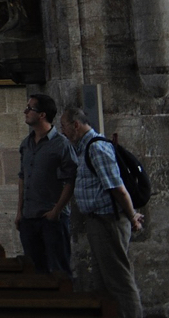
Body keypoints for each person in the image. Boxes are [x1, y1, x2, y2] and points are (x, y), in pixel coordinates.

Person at [60, 106, 143, 318]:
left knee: (119, 279)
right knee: (102, 280)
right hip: (98, 221)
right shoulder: (84, 147)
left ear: (75, 125)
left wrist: (132, 215)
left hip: (109, 221)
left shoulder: (96, 148)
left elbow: (117, 188)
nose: (63, 131)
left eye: (64, 126)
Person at [16, 93, 77, 277]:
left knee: (59, 270)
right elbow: (22, 177)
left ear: (42, 115)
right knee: (35, 272)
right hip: (29, 217)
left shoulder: (61, 145)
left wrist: (57, 210)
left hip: (51, 219)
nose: (25, 111)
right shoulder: (26, 144)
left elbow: (71, 180)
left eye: (30, 108)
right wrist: (19, 211)